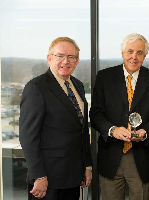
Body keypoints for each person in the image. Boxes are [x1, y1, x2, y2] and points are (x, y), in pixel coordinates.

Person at [89, 33, 149, 200]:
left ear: (145, 56)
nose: (134, 57)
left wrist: (145, 132)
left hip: (141, 158)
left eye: (139, 52)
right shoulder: (104, 78)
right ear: (122, 53)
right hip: (110, 155)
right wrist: (112, 130)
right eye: (130, 51)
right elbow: (95, 114)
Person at [19, 37, 93, 200]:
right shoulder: (36, 87)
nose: (65, 61)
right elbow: (28, 137)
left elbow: (81, 130)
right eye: (60, 56)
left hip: (73, 177)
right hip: (48, 180)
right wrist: (38, 175)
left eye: (71, 57)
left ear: (77, 61)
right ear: (49, 58)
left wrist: (86, 165)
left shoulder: (77, 85)